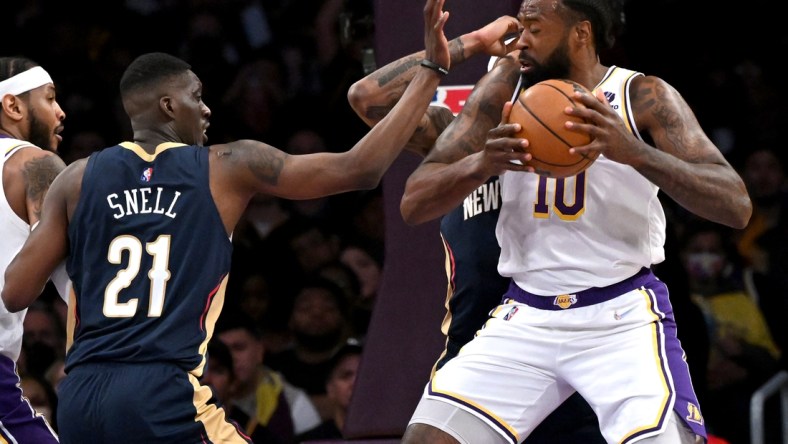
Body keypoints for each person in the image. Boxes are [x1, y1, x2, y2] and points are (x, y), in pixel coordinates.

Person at [0, 0, 452, 441]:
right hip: (161, 391)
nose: (208, 108)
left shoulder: (77, 178)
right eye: (196, 97)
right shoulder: (228, 165)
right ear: (168, 106)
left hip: (80, 396)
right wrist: (430, 70)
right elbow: (361, 168)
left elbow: (16, 290)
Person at [395, 0, 753, 442]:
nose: (520, 40)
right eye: (521, 27)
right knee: (426, 438)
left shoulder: (641, 96)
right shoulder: (503, 88)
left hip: (621, 318)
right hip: (525, 314)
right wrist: (482, 163)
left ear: (580, 33)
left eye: (535, 29)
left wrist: (635, 153)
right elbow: (413, 202)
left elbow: (736, 205)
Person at [348, 10, 606, 444]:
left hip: (567, 344)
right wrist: (471, 43)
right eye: (494, 87)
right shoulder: (449, 143)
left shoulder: (570, 145)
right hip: (477, 356)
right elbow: (367, 98)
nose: (500, 95)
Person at [0, 56, 66, 444]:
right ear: (13, 106)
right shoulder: (35, 163)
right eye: (49, 98)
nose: (60, 111)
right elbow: (76, 280)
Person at [295, 340, 364, 442]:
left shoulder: (390, 436)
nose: (355, 383)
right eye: (346, 376)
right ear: (330, 388)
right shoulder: (310, 441)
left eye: (363, 375)